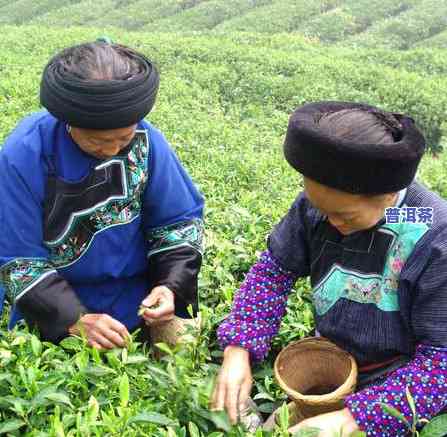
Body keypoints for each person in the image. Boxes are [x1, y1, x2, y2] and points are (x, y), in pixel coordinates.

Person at [212, 102, 447, 436]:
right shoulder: (318, 207)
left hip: (397, 381)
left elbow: (440, 363)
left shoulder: (430, 231)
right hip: (332, 362)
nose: (329, 222)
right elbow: (273, 272)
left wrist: (355, 419)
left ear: (389, 194)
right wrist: (239, 349)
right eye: (321, 208)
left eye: (346, 216)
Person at [0, 40, 204, 349]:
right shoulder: (24, 155)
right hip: (52, 316)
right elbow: (19, 261)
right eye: (96, 141)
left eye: (123, 138)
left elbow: (177, 222)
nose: (111, 150)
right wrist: (74, 320)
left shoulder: (147, 142)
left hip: (137, 305)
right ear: (68, 122)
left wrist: (169, 286)